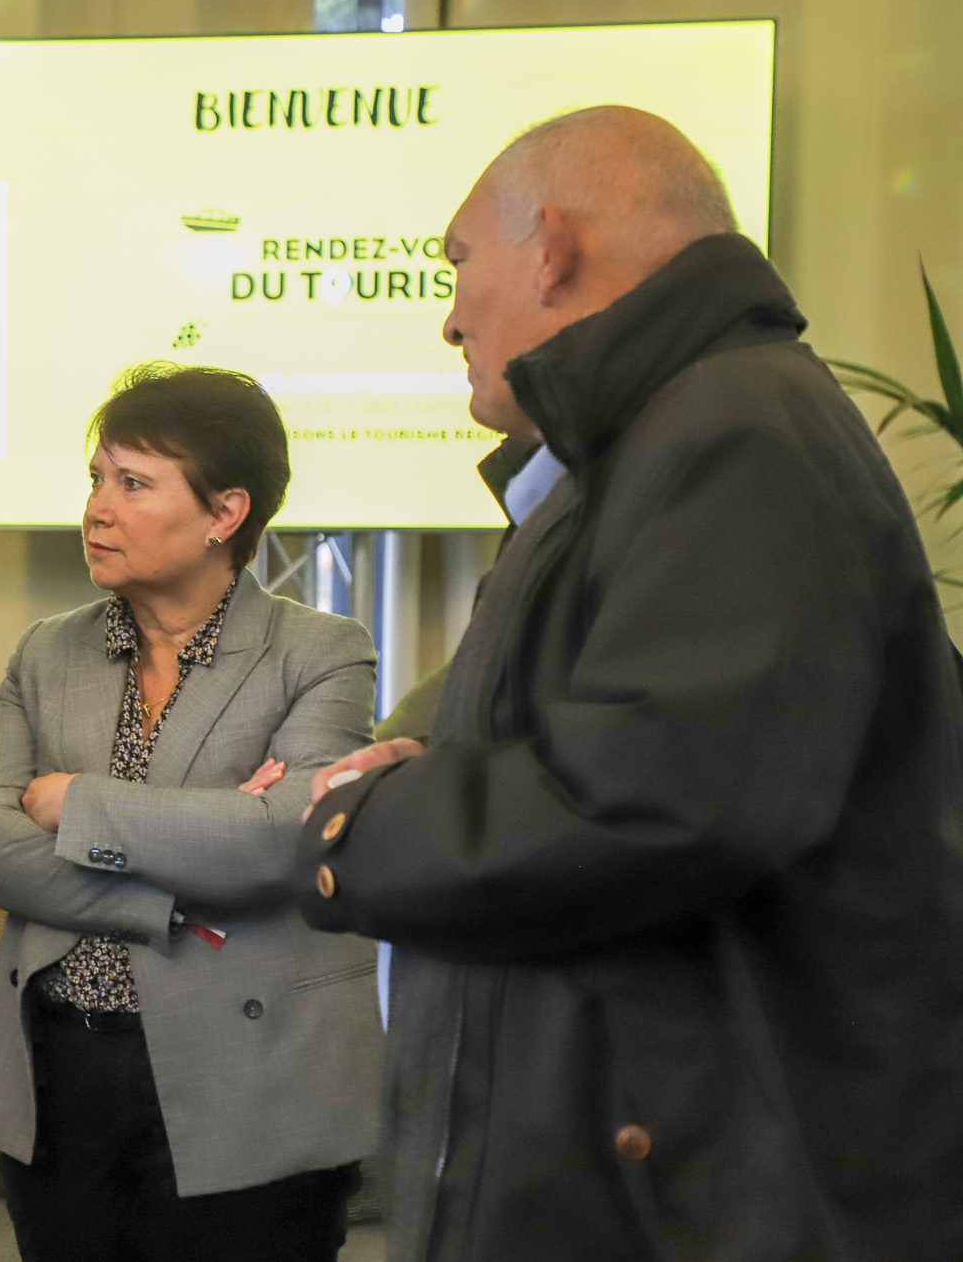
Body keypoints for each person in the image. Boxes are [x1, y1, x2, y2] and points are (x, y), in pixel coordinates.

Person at [298, 106, 963, 1260]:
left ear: (549, 246)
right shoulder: (670, 433)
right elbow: (629, 752)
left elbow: (655, 803)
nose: (448, 315)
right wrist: (448, 772)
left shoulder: (730, 431)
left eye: (456, 264)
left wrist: (353, 824)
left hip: (701, 1207)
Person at [0, 363, 382, 1262]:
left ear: (225, 514)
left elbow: (278, 841)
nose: (98, 508)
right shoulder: (48, 651)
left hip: (251, 1073)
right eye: (97, 479)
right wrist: (163, 896)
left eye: (134, 484)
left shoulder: (320, 653)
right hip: (63, 1074)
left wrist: (72, 798)